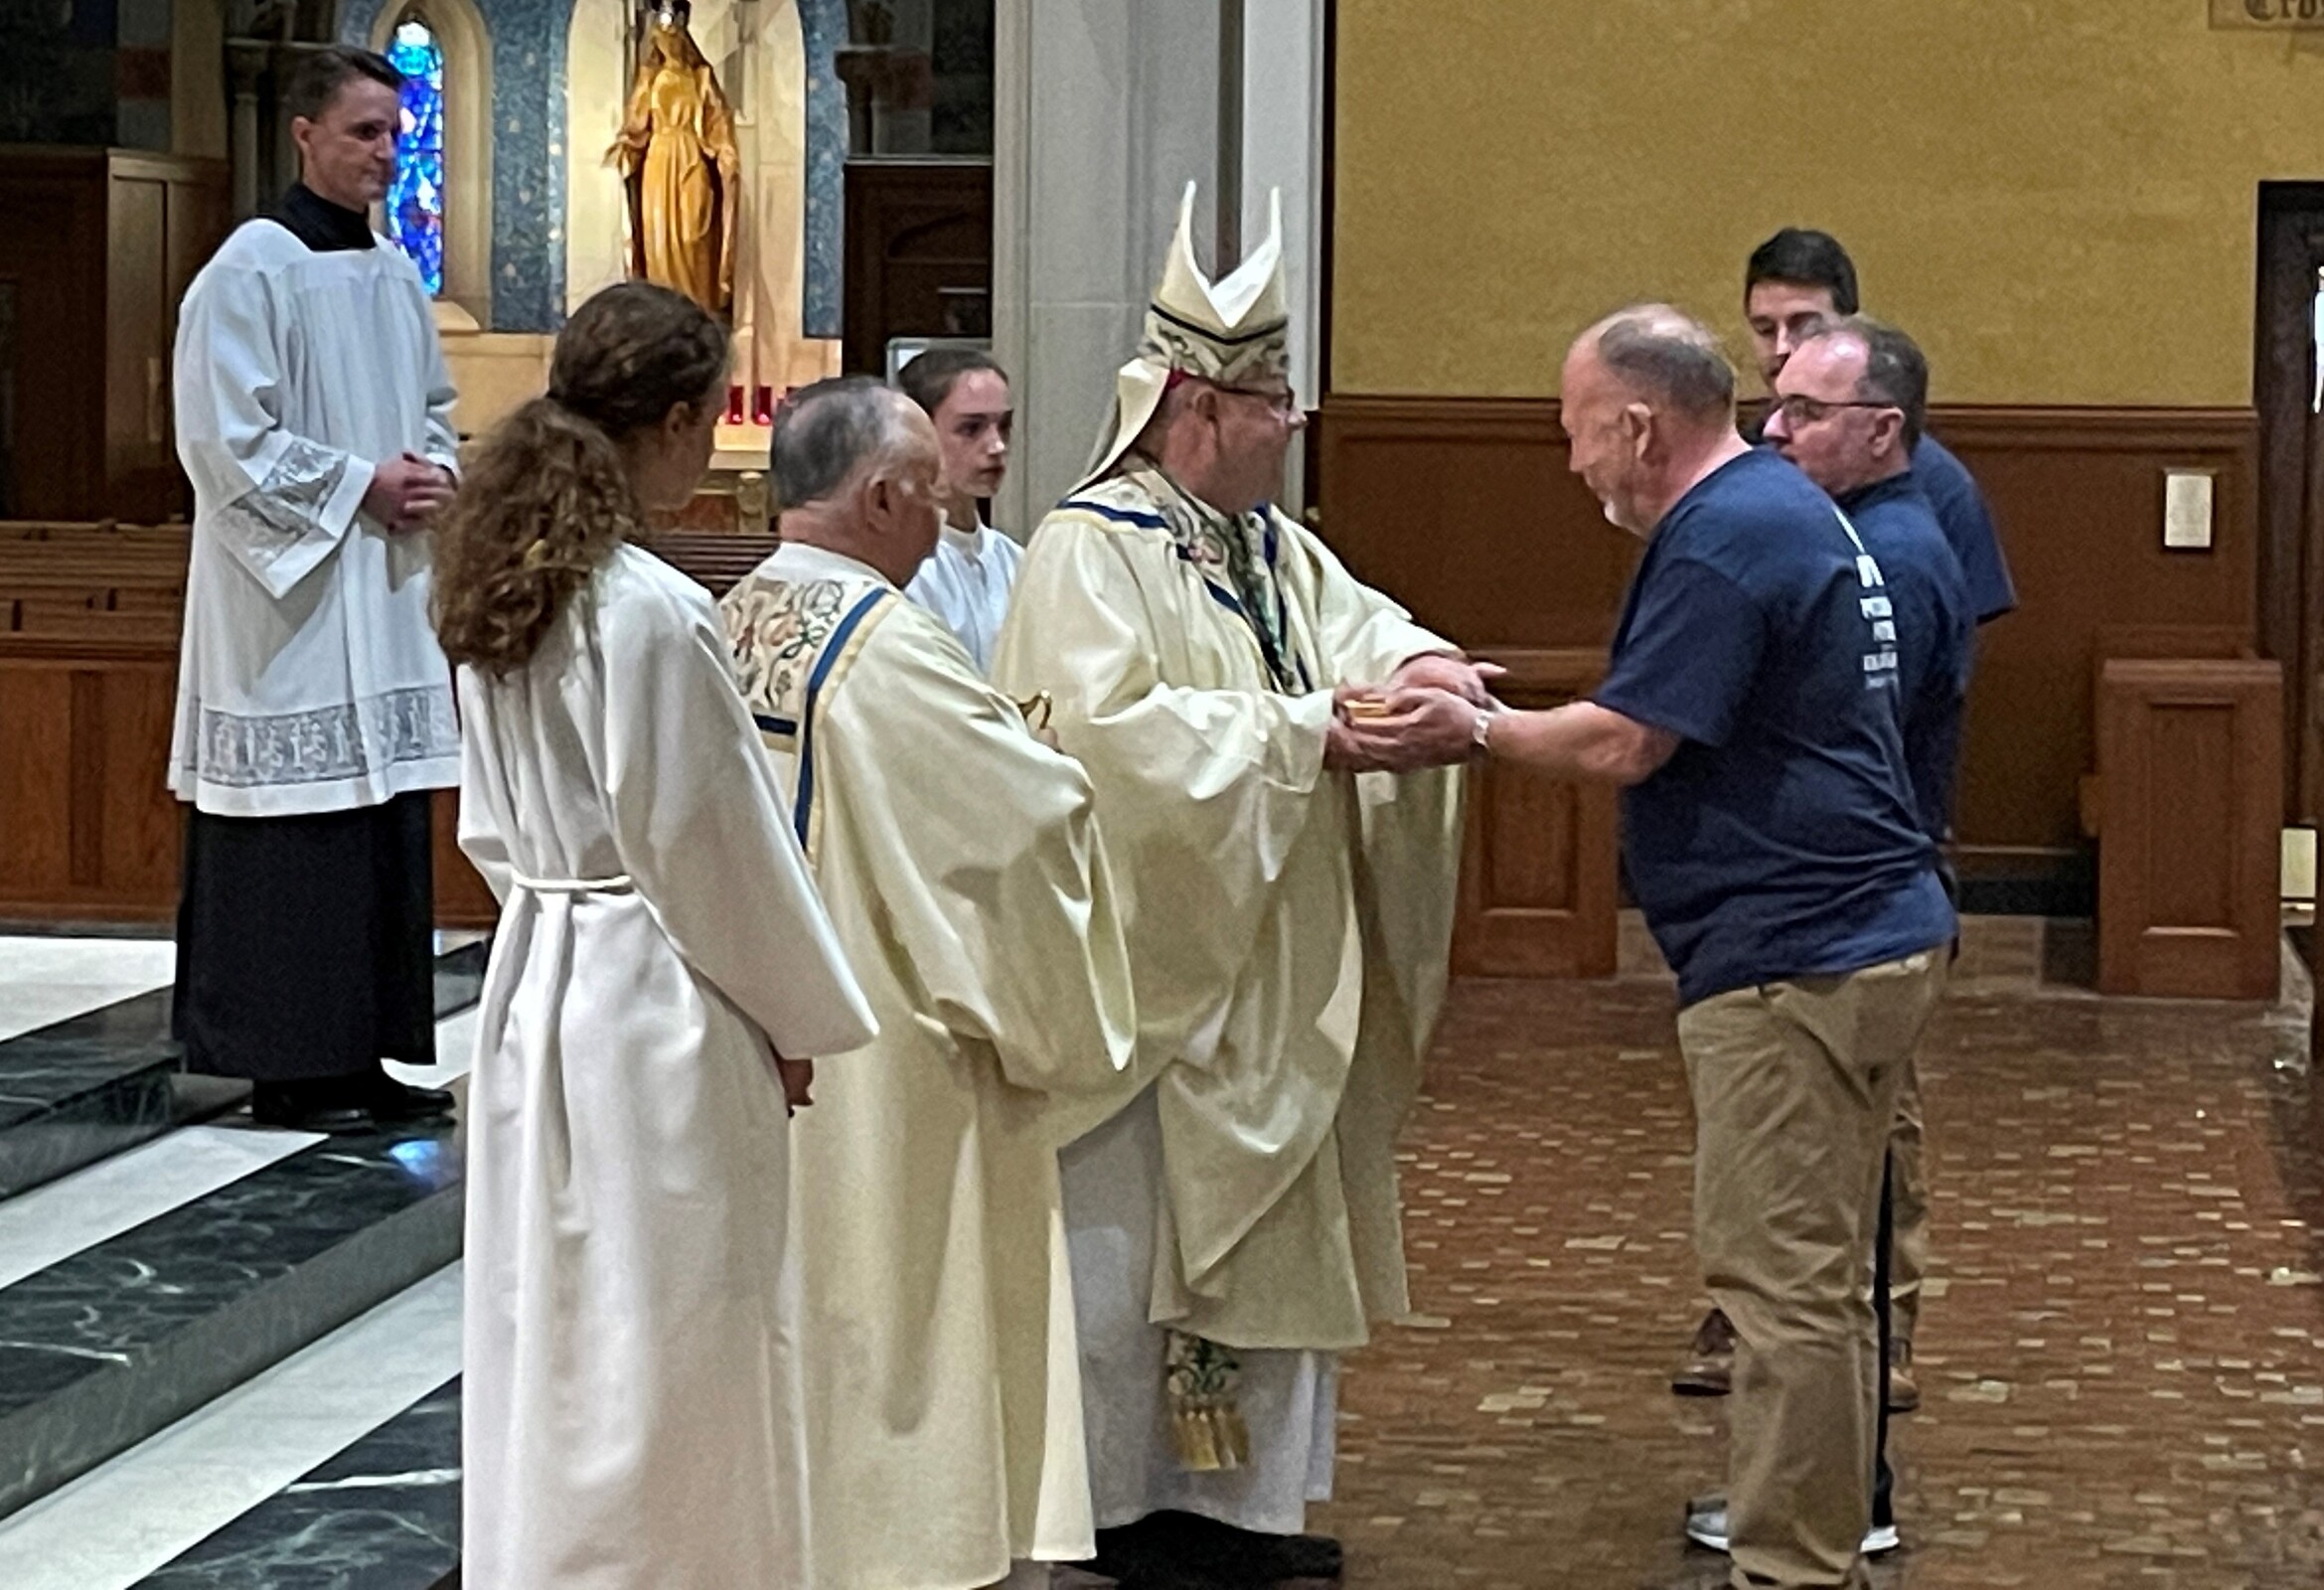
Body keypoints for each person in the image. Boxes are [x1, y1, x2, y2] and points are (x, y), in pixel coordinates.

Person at [991, 183, 1480, 1588]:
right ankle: (1114, 1510)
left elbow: (1356, 622)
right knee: (1123, 1249)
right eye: (1271, 400)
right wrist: (1308, 735)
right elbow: (1102, 742)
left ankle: (1240, 1511)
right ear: (1194, 406)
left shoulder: (1263, 546)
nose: (1293, 421)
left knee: (1274, 1238)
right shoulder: (1091, 549)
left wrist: (1424, 666)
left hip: (1270, 962)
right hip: (1158, 977)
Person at [1478, 305, 1953, 1590]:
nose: (1573, 460)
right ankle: (1818, 1541)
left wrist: (1471, 728)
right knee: (1823, 1286)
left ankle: (1789, 1566)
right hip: (1862, 932)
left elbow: (1627, 739)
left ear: (1638, 426)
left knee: (1781, 1291)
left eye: (1577, 430)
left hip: (1793, 955)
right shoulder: (1775, 508)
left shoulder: (1725, 534)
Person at [439, 281, 878, 1590]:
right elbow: (711, 850)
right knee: (672, 1340)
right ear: (681, 423)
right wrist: (792, 1018)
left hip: (537, 975)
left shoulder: (503, 587)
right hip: (653, 1004)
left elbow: (488, 831)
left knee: (554, 1331)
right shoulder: (646, 609)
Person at [719, 375, 1139, 1590]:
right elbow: (1018, 825)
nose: (942, 509)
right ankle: (910, 1549)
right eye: (927, 489)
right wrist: (1047, 760)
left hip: (753, 1035)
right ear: (881, 497)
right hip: (886, 1048)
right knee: (903, 1305)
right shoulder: (886, 646)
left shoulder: (730, 616)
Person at [1675, 227, 2010, 1411]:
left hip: (1871, 866)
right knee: (1773, 1126)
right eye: (1762, 331)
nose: (1777, 353)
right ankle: (1761, 1313)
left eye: (1802, 329)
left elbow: (1917, 671)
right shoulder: (1766, 469)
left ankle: (1880, 1324)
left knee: (1874, 1117)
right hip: (1772, 879)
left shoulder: (1923, 496)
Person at [170, 45, 463, 1135]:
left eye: (393, 131)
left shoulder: (392, 272)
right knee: (296, 840)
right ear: (304, 134)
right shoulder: (250, 268)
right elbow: (221, 440)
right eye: (363, 131)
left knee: (376, 829)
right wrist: (356, 486)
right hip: (286, 609)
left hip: (380, 592)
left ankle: (362, 1056)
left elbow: (434, 407)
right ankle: (287, 1066)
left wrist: (433, 474)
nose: (386, 152)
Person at [899, 348, 1022, 671]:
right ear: (918, 432)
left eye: (1004, 426)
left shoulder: (1017, 561)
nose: (997, 446)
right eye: (971, 428)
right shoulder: (903, 569)